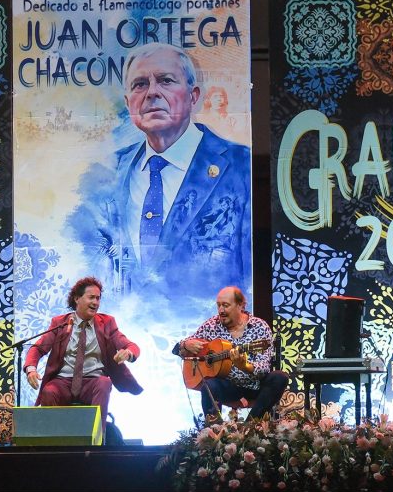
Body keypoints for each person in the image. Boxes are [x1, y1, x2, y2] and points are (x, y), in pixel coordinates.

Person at [68, 42, 251, 302]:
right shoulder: (108, 173)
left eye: (166, 80)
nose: (152, 92)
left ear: (193, 95)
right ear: (128, 102)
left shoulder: (240, 166)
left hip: (211, 336)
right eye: (140, 84)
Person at [23, 277, 141, 422]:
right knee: (49, 391)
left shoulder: (107, 323)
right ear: (77, 298)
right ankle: (51, 442)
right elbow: (37, 348)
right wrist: (31, 369)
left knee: (104, 383)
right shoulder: (60, 323)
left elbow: (132, 346)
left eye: (98, 299)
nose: (95, 302)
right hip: (63, 382)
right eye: (91, 297)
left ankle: (96, 440)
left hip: (93, 382)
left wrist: (128, 353)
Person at [174, 286, 287, 424]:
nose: (221, 310)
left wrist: (245, 366)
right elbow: (178, 350)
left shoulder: (259, 327)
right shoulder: (211, 325)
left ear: (240, 305)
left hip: (254, 386)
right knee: (209, 385)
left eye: (225, 305)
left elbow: (263, 367)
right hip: (227, 387)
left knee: (279, 377)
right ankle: (216, 434)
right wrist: (185, 344)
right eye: (219, 305)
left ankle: (250, 427)